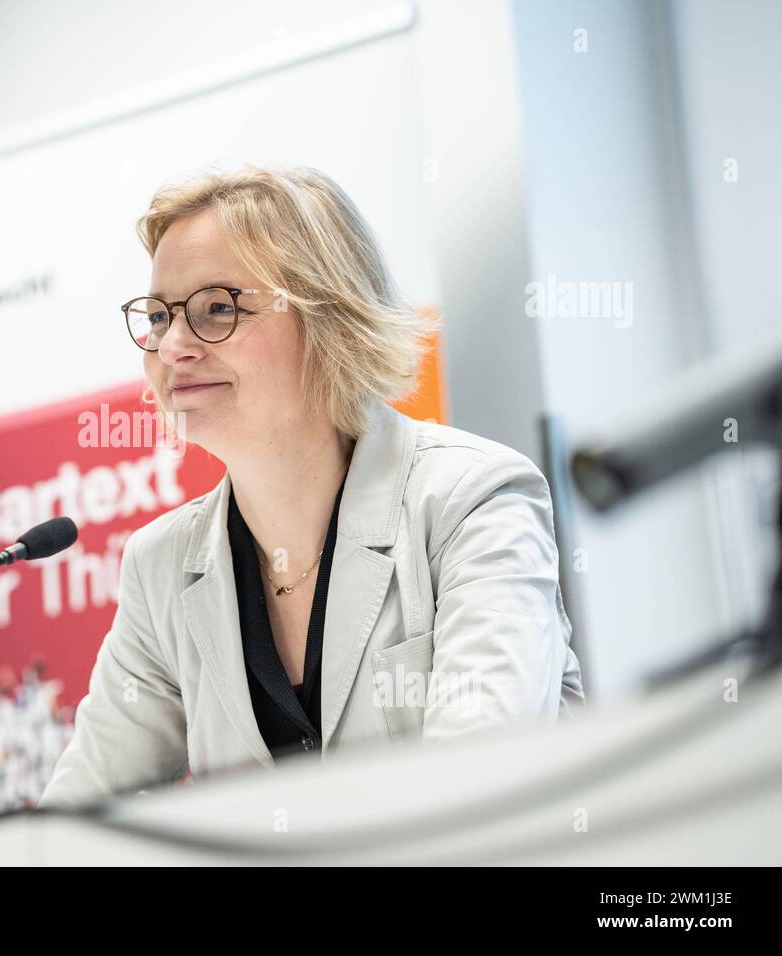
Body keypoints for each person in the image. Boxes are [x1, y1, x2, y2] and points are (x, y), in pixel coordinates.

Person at [38, 164, 584, 809]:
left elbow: (479, 784)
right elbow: (74, 825)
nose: (174, 345)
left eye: (217, 308)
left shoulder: (472, 499)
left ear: (329, 317)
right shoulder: (161, 566)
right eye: (159, 317)